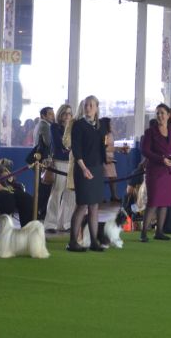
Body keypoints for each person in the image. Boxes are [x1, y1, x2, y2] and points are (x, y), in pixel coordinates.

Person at [67, 96, 107, 252]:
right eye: (86, 105)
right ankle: (72, 242)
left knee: (94, 206)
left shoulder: (101, 125)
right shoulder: (78, 125)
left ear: (97, 107)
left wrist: (116, 151)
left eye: (91, 105)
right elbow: (76, 150)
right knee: (82, 205)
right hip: (84, 168)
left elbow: (101, 147)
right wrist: (84, 169)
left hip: (97, 168)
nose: (88, 108)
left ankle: (94, 241)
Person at [139, 104, 171, 242]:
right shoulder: (150, 132)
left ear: (168, 115)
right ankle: (144, 233)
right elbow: (145, 151)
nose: (160, 116)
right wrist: (161, 159)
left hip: (170, 172)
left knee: (165, 202)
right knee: (153, 202)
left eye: (162, 113)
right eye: (157, 113)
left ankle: (160, 231)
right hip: (156, 171)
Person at [45, 104, 75, 233]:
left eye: (70, 113)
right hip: (59, 162)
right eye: (65, 113)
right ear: (60, 115)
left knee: (71, 194)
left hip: (72, 163)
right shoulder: (55, 127)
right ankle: (50, 224)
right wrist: (71, 149)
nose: (67, 116)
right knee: (57, 192)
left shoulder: (74, 128)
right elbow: (59, 144)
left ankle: (65, 223)